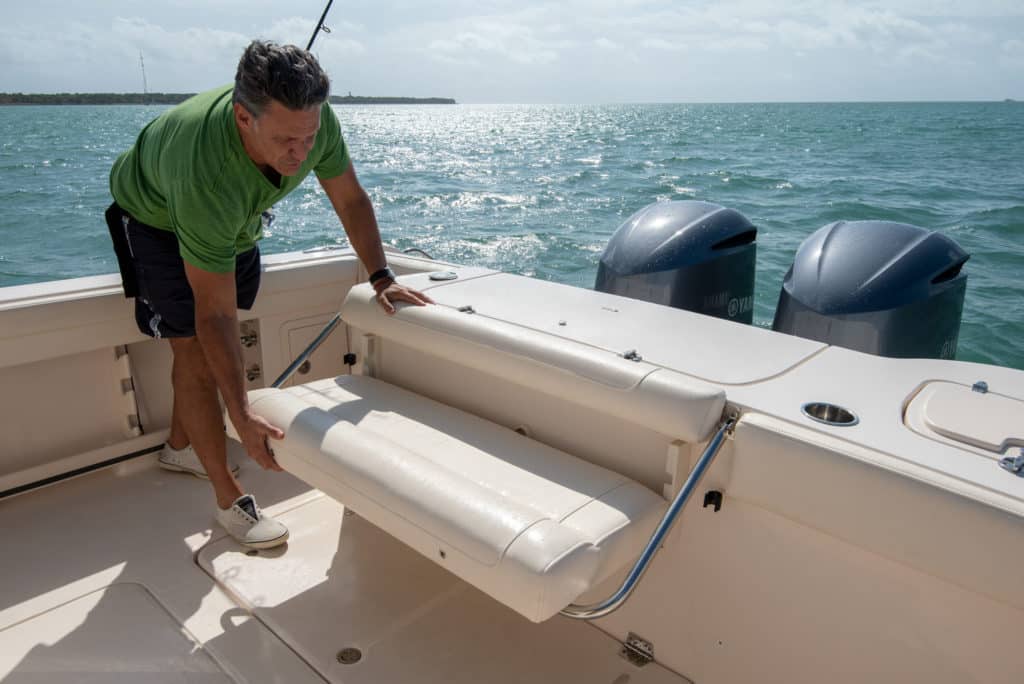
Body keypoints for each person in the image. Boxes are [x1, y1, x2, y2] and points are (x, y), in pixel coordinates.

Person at [106, 40, 433, 549]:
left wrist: (381, 276)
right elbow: (213, 315)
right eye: (287, 142)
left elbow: (349, 199)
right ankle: (227, 497)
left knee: (202, 340)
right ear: (243, 117)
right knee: (192, 340)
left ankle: (180, 447)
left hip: (234, 219)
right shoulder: (206, 176)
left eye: (309, 138)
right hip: (158, 219)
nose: (301, 154)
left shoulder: (310, 125)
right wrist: (240, 415)